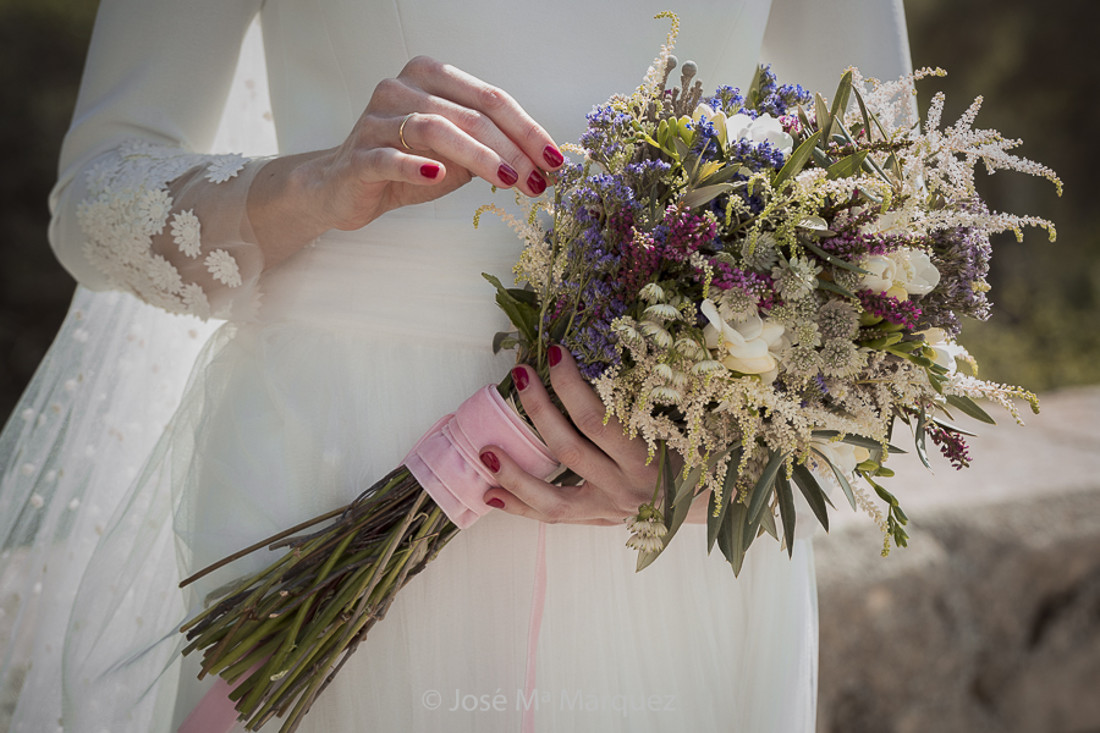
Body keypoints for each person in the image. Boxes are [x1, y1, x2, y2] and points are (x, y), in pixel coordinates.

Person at [0, 0, 913, 730]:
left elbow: (906, 230)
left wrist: (714, 457)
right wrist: (313, 181)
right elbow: (95, 200)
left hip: (660, 497)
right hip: (329, 455)